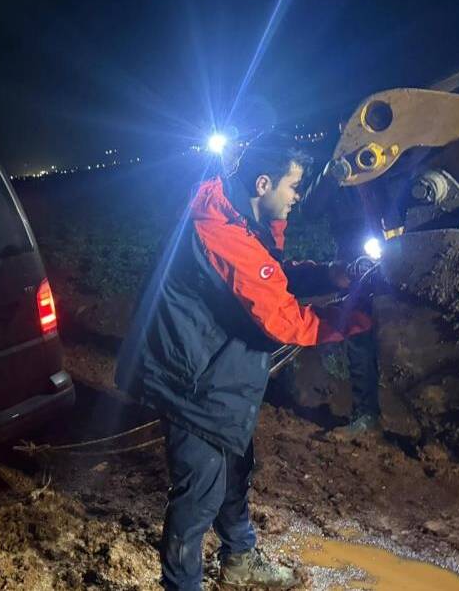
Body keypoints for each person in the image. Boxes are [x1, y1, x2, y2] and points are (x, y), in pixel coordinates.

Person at [115, 134, 372, 590]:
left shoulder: (239, 218)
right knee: (197, 498)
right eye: (293, 187)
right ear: (262, 183)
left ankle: (239, 559)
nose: (297, 197)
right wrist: (356, 320)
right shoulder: (219, 230)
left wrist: (326, 273)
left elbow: (266, 274)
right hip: (192, 383)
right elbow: (285, 320)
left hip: (219, 373)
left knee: (235, 472)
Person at [299, 157, 383, 436]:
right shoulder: (337, 163)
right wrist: (333, 172)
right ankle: (367, 413)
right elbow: (309, 209)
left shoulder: (393, 152)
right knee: (360, 329)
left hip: (395, 246)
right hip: (354, 258)